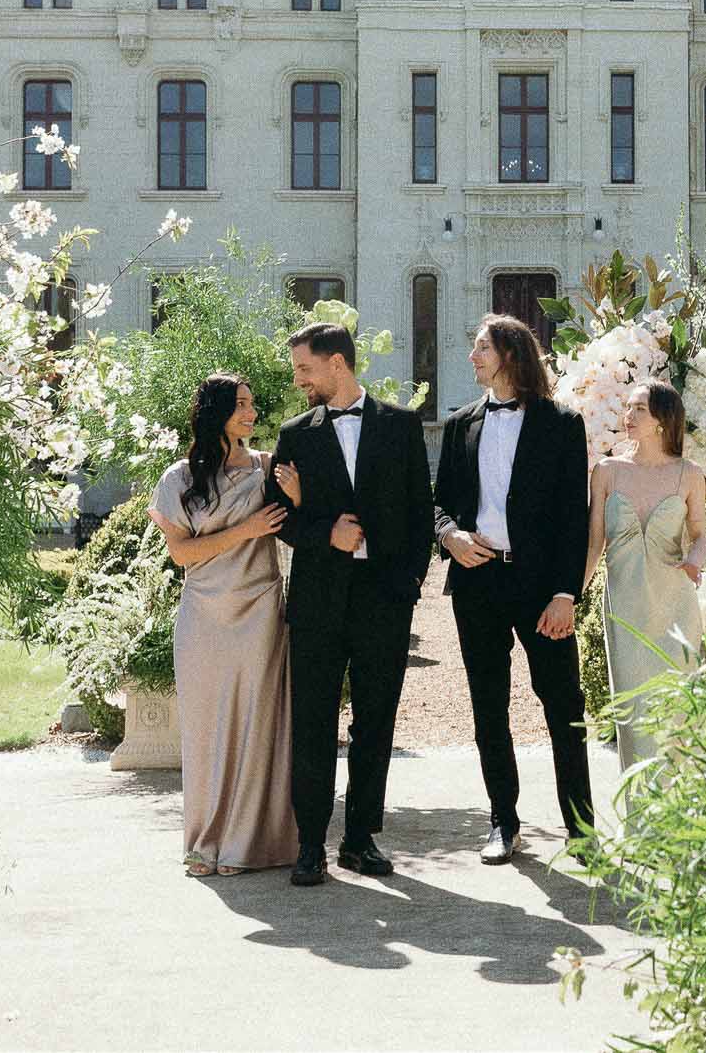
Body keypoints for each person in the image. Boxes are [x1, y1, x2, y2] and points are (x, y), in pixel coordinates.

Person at [264, 322, 435, 887]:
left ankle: (360, 840)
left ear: (337, 364)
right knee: (312, 722)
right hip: (316, 601)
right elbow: (277, 517)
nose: (299, 380)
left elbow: (419, 513)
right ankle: (310, 844)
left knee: (375, 723)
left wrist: (407, 586)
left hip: (384, 602)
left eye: (304, 369)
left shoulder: (402, 426)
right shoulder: (295, 434)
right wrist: (323, 534)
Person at [433, 315, 595, 865]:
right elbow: (438, 504)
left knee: (563, 707)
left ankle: (582, 829)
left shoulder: (563, 424)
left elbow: (576, 519)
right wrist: (449, 535)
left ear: (511, 354)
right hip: (478, 581)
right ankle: (503, 822)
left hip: (541, 586)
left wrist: (565, 594)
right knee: (487, 707)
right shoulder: (459, 425)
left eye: (482, 348)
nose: (473, 356)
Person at [145, 375, 305, 877]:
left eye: (252, 405)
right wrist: (247, 530)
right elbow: (183, 554)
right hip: (203, 617)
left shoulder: (267, 471)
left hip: (259, 612)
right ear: (214, 411)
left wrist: (297, 501)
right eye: (240, 405)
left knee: (256, 725)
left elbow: (303, 530)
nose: (251, 413)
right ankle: (203, 842)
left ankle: (243, 845)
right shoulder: (177, 479)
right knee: (206, 730)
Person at [582, 380, 706, 772]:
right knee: (634, 714)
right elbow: (594, 545)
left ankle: (676, 821)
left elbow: (700, 533)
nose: (628, 415)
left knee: (675, 713)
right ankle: (639, 821)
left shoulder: (689, 474)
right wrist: (571, 597)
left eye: (639, 408)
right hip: (625, 608)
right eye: (627, 407)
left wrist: (695, 563)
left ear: (662, 420)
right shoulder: (606, 471)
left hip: (675, 608)